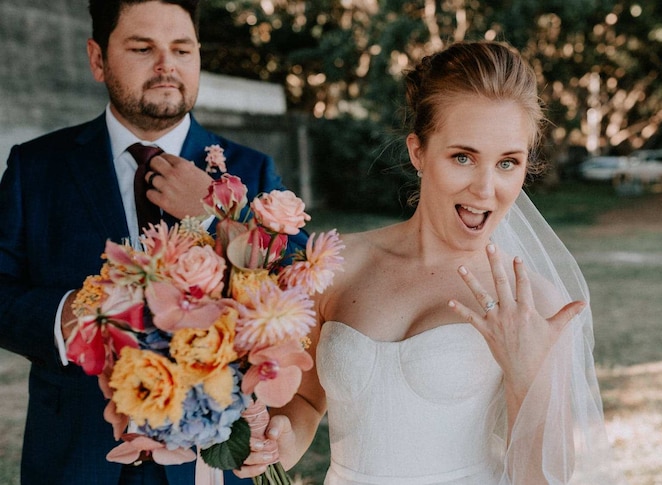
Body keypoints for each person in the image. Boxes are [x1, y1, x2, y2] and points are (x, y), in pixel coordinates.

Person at [237, 41, 624, 484]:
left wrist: (527, 374)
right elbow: (305, 401)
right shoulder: (336, 263)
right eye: (463, 157)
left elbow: (543, 479)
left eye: (507, 163)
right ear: (418, 152)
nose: (485, 188)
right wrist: (281, 436)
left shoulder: (532, 302)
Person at [0, 0, 285, 483]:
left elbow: (290, 303)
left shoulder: (250, 171)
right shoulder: (36, 167)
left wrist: (215, 218)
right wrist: (64, 316)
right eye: (141, 48)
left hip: (211, 461)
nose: (166, 65)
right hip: (77, 455)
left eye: (182, 49)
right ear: (97, 59)